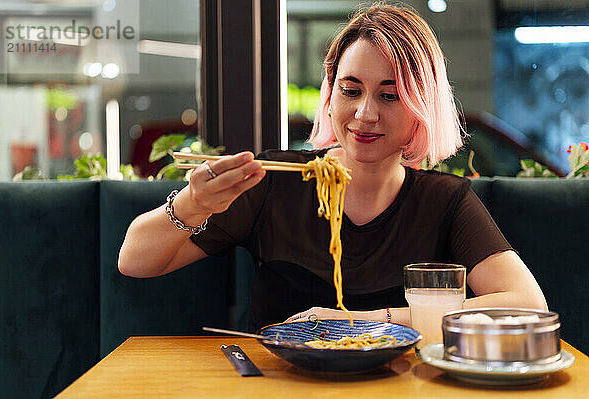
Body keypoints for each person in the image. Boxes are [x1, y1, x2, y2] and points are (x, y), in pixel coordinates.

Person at [118, 4, 547, 332]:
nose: (364, 114)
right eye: (351, 90)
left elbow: (528, 303)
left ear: (422, 108)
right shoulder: (276, 181)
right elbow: (134, 261)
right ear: (330, 96)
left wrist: (366, 320)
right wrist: (194, 203)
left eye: (390, 95)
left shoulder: (443, 200)